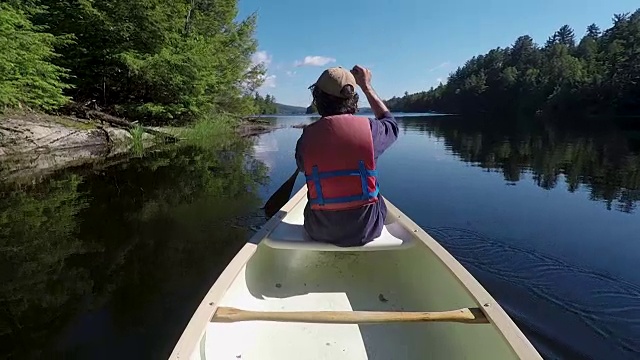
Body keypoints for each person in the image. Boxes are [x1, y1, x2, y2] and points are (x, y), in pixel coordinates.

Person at [294, 65, 399, 246]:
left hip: (318, 231)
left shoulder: (306, 138)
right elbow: (390, 123)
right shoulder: (371, 130)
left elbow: (303, 166)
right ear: (353, 99)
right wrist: (366, 86)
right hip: (366, 229)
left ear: (317, 99)